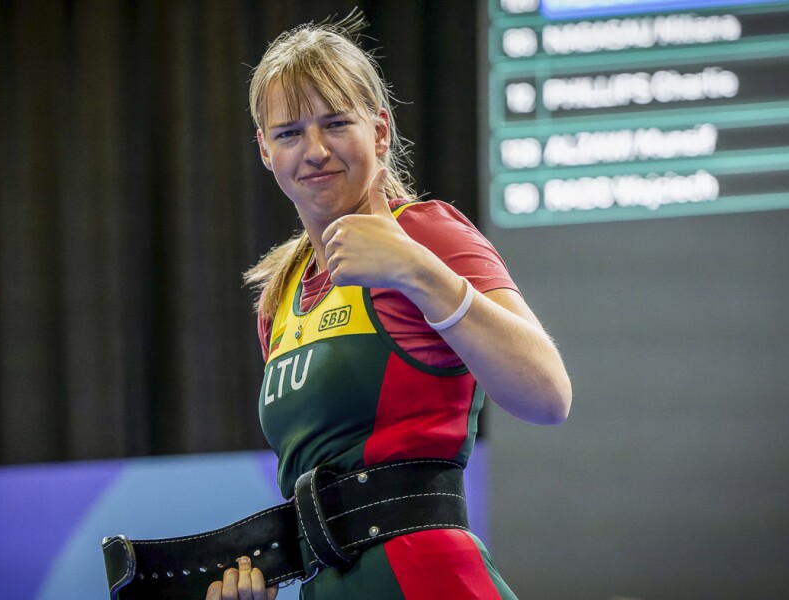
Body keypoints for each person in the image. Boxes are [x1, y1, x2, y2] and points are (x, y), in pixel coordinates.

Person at [206, 13, 572, 600]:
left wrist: (416, 269)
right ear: (265, 151)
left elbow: (549, 395)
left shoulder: (427, 234)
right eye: (289, 132)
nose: (315, 150)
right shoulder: (281, 293)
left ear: (379, 132)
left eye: (336, 122)